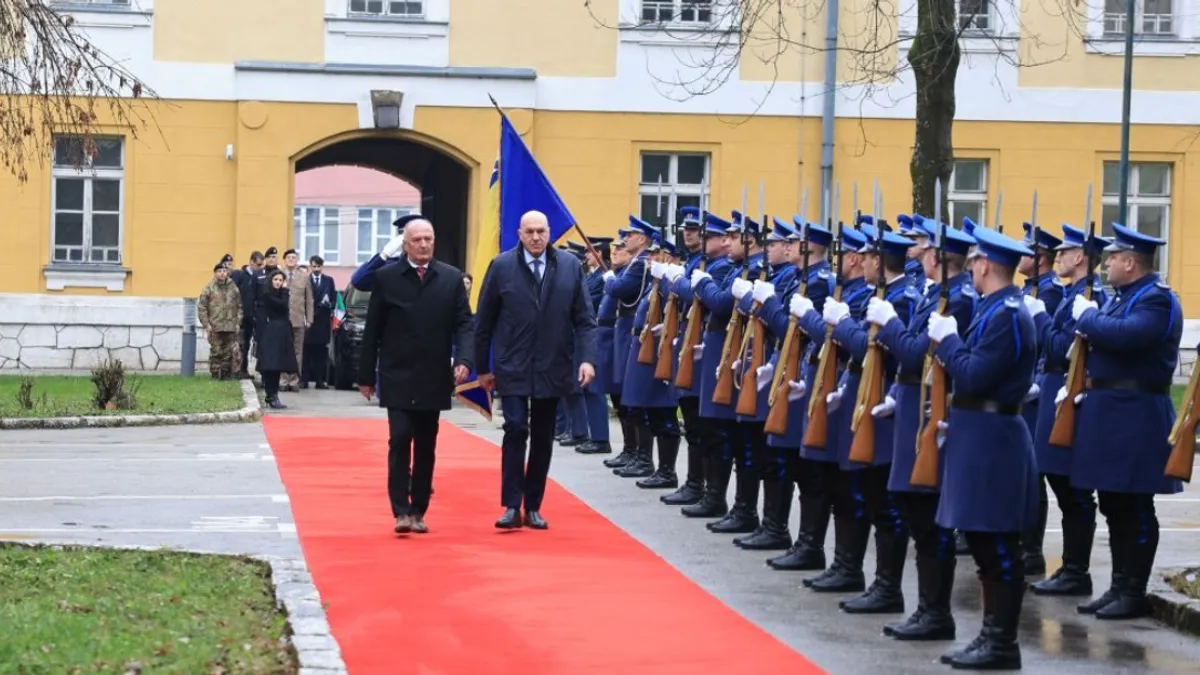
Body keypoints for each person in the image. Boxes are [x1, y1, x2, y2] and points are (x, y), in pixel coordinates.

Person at [928, 225, 1038, 670]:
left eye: (974, 261)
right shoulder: (996, 308)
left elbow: (974, 375)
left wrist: (948, 341)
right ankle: (990, 636)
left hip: (994, 439)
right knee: (981, 541)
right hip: (979, 434)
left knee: (996, 544)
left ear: (985, 265)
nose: (970, 267)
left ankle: (1001, 642)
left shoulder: (1008, 314)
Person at [1066, 222, 1183, 620]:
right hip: (1111, 409)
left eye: (1113, 257)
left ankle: (1133, 591)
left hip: (1137, 412)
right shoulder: (1123, 297)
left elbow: (1129, 336)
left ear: (1131, 262)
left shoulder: (1157, 300)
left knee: (1135, 504)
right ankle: (1118, 585)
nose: (1107, 263)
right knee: (1113, 503)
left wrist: (1089, 318)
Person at [474, 210, 597, 530]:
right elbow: (483, 321)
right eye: (529, 232)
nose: (536, 237)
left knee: (543, 435)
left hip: (552, 364)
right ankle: (512, 506)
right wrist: (482, 368)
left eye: (541, 231)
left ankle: (534, 505)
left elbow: (584, 320)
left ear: (549, 232)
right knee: (516, 428)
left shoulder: (570, 267)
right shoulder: (502, 267)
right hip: (512, 365)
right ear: (519, 233)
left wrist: (587, 359)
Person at [358, 219, 473, 535]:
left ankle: (419, 508)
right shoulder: (386, 278)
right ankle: (400, 511)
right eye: (417, 240)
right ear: (405, 244)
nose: (424, 245)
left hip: (433, 373)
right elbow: (373, 331)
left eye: (429, 239)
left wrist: (464, 359)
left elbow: (464, 323)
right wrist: (366, 375)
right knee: (399, 437)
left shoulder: (450, 278)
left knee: (426, 443)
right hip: (396, 373)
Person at [1024, 224, 1108, 598]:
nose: (1055, 258)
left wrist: (1041, 317)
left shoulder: (1086, 296)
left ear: (1080, 258)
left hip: (1068, 390)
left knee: (1072, 487)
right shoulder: (1076, 293)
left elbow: (1061, 349)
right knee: (1059, 480)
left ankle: (1076, 570)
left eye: (1063, 253)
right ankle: (1072, 568)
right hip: (1055, 389)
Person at [256, 269, 298, 410]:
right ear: (270, 280)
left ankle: (273, 395)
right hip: (272, 331)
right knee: (271, 365)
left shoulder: (281, 293)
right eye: (276, 280)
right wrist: (286, 290)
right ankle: (271, 395)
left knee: (278, 366)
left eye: (281, 280)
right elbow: (282, 304)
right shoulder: (268, 294)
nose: (278, 282)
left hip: (283, 331)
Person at [198, 262, 243, 380]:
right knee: (216, 352)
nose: (222, 273)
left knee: (228, 353)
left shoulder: (233, 287)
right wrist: (206, 324)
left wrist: (238, 323)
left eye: (224, 271)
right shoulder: (209, 288)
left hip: (230, 325)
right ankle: (215, 374)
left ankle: (225, 375)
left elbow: (239, 306)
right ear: (215, 273)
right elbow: (202, 307)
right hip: (215, 325)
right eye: (219, 271)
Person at [280, 249, 314, 392]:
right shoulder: (279, 276)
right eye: (289, 257)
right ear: (284, 260)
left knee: (297, 352)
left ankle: (294, 380)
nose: (291, 260)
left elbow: (309, 300)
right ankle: (283, 380)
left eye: (294, 258)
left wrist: (309, 318)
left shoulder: (304, 277)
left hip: (298, 319)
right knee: (282, 350)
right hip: (282, 320)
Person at [303, 256, 336, 389]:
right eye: (313, 266)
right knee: (306, 352)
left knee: (320, 354)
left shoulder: (329, 281)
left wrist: (329, 304)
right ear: (310, 266)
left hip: (322, 321)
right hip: (309, 321)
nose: (316, 269)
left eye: (318, 266)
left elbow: (333, 298)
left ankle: (319, 380)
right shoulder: (306, 280)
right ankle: (304, 380)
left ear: (322, 266)